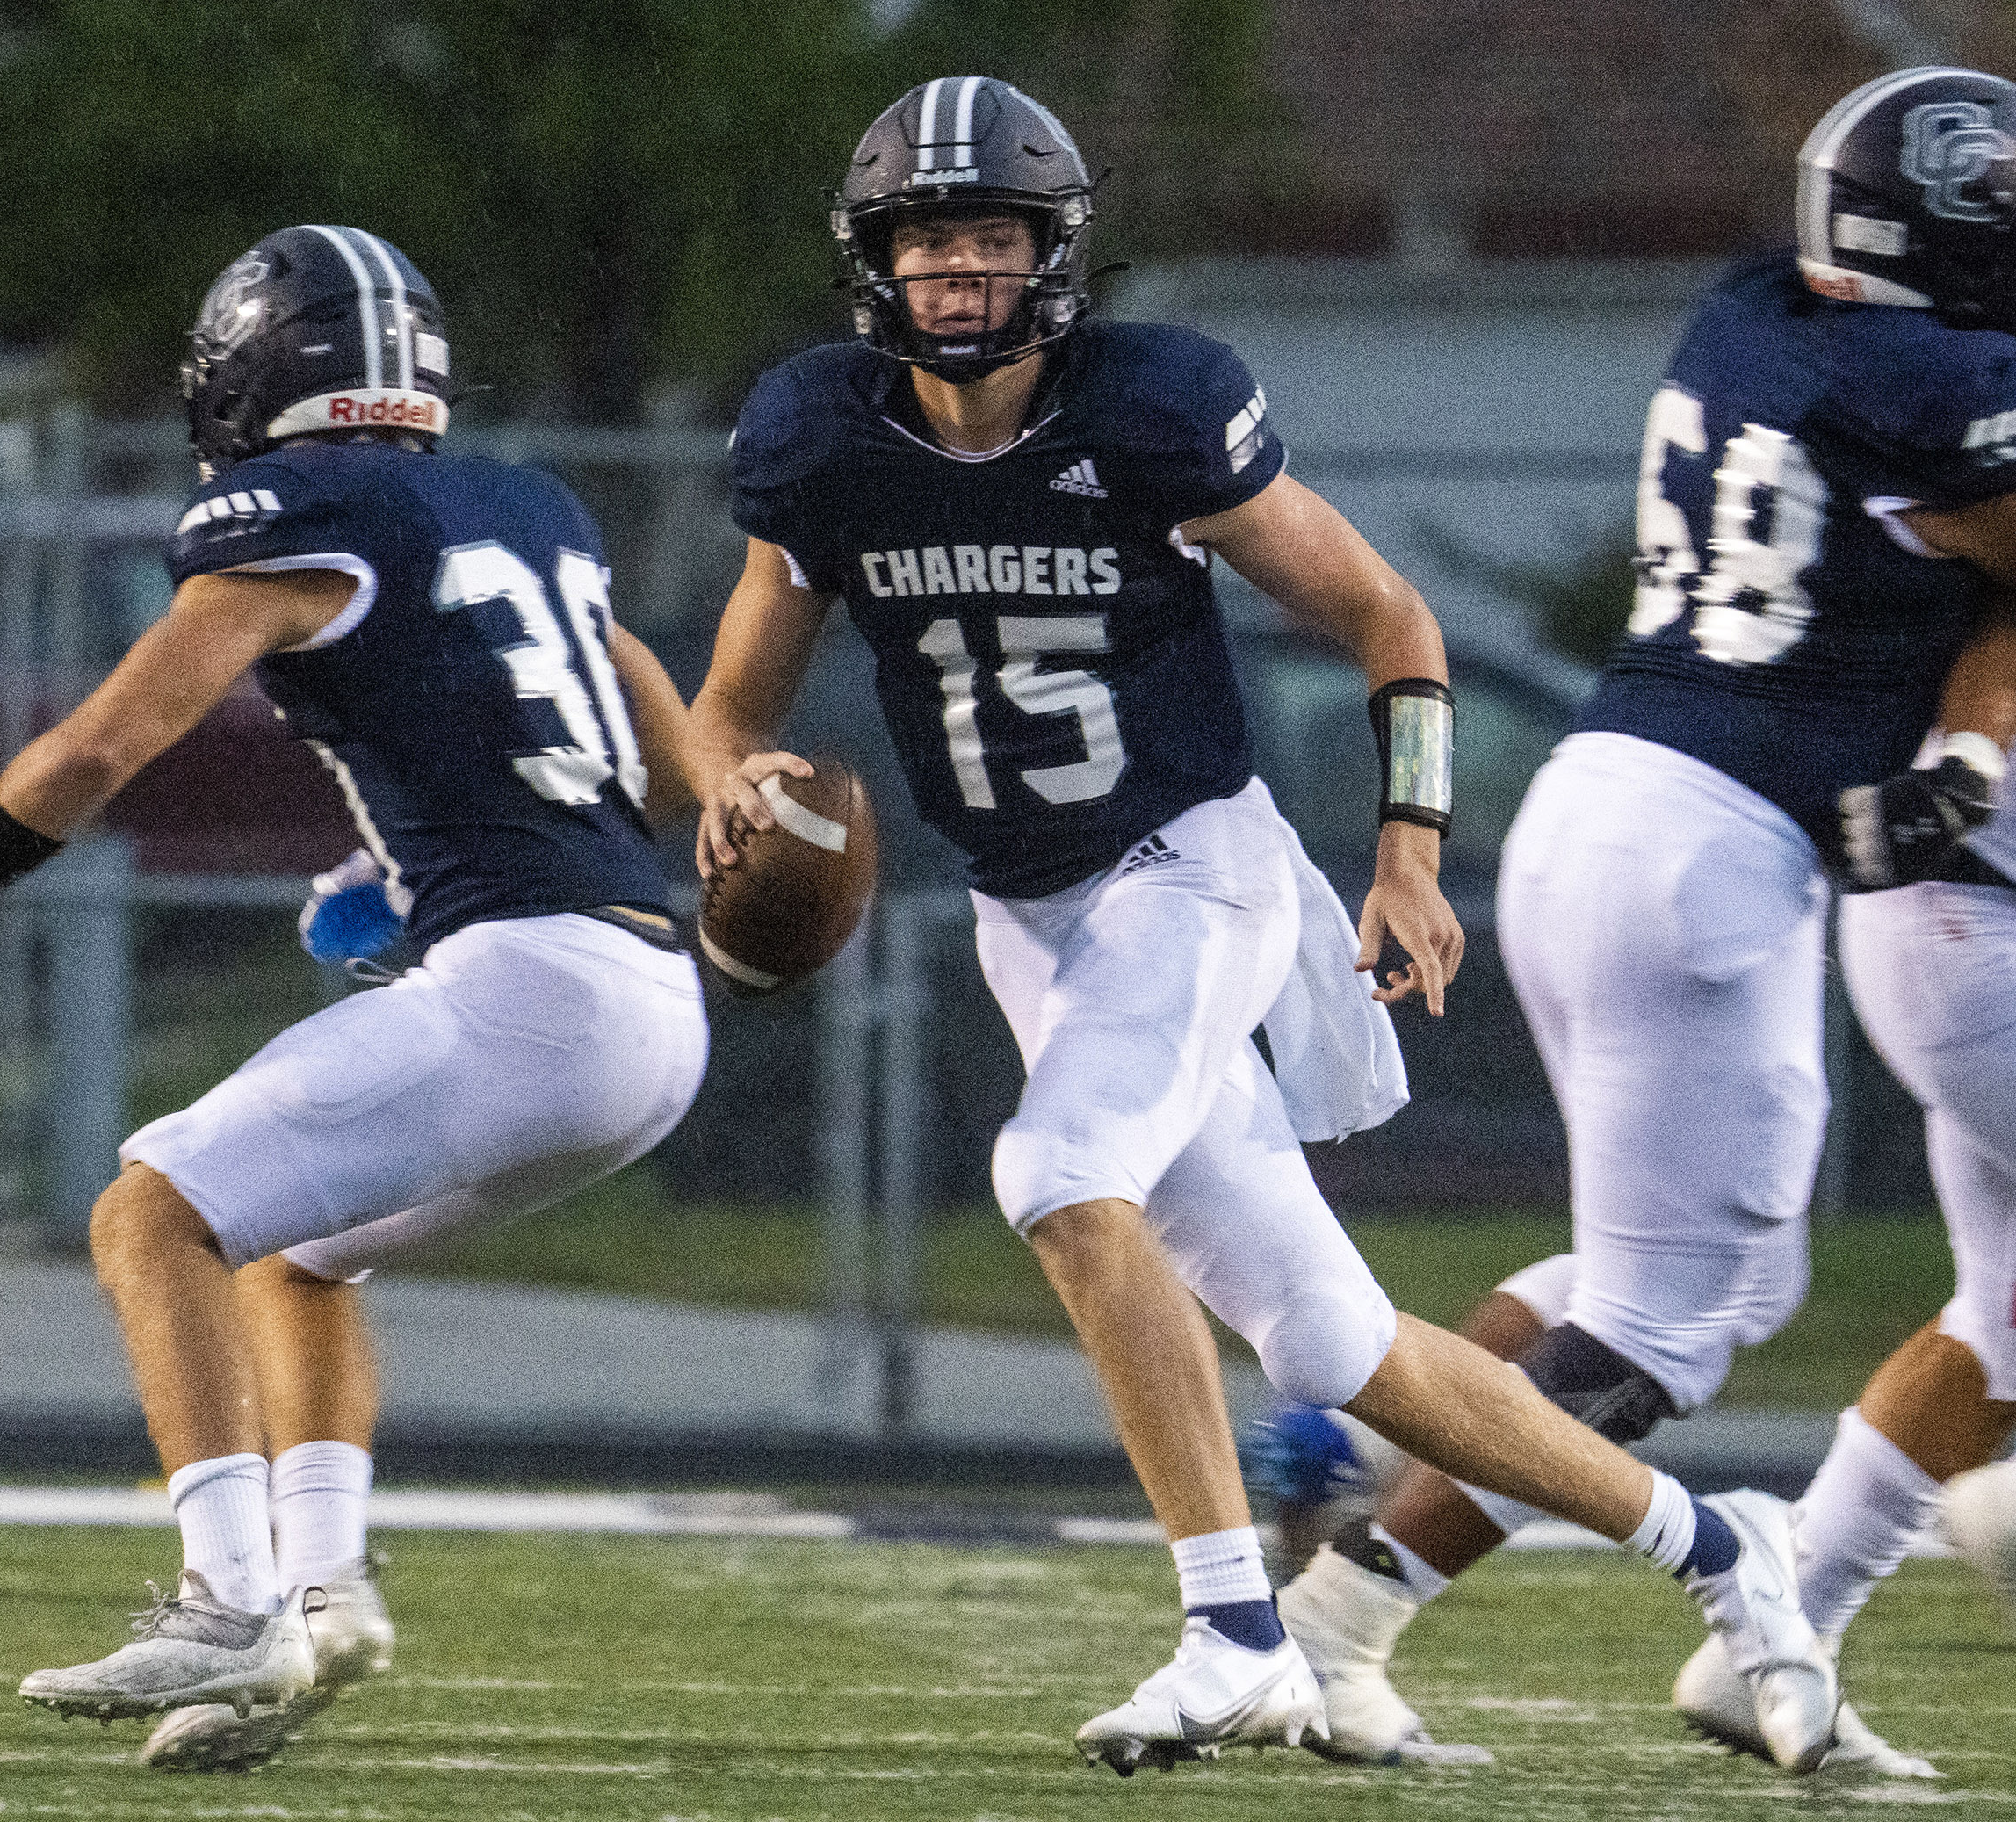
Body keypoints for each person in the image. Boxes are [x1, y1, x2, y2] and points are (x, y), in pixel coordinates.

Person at [682, 75, 1838, 1776]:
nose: (953, 273)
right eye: (923, 241)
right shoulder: (819, 440)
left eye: (988, 237)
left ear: (1050, 255)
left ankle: (1235, 1628)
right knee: (1331, 1339)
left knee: (1056, 1171)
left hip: (1189, 865)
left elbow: (1387, 611)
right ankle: (1728, 1549)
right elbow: (722, 707)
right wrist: (724, 785)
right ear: (875, 261)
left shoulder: (1150, 412)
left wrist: (1408, 849)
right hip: (1029, 918)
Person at [0, 226, 707, 1771]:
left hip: (530, 986)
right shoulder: (528, 501)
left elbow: (102, 747)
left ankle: (229, 1601)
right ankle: (321, 1591)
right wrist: (706, 793)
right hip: (645, 998)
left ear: (251, 376)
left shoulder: (296, 513)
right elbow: (612, 668)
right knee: (295, 1260)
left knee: (149, 1210)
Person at [1268, 65, 2016, 1779]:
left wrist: (1965, 745)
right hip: (1706, 850)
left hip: (1618, 801)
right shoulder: (1941, 385)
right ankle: (1336, 1614)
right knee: (1668, 1320)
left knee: (1674, 1278)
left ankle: (1337, 1447)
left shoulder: (1756, 308)